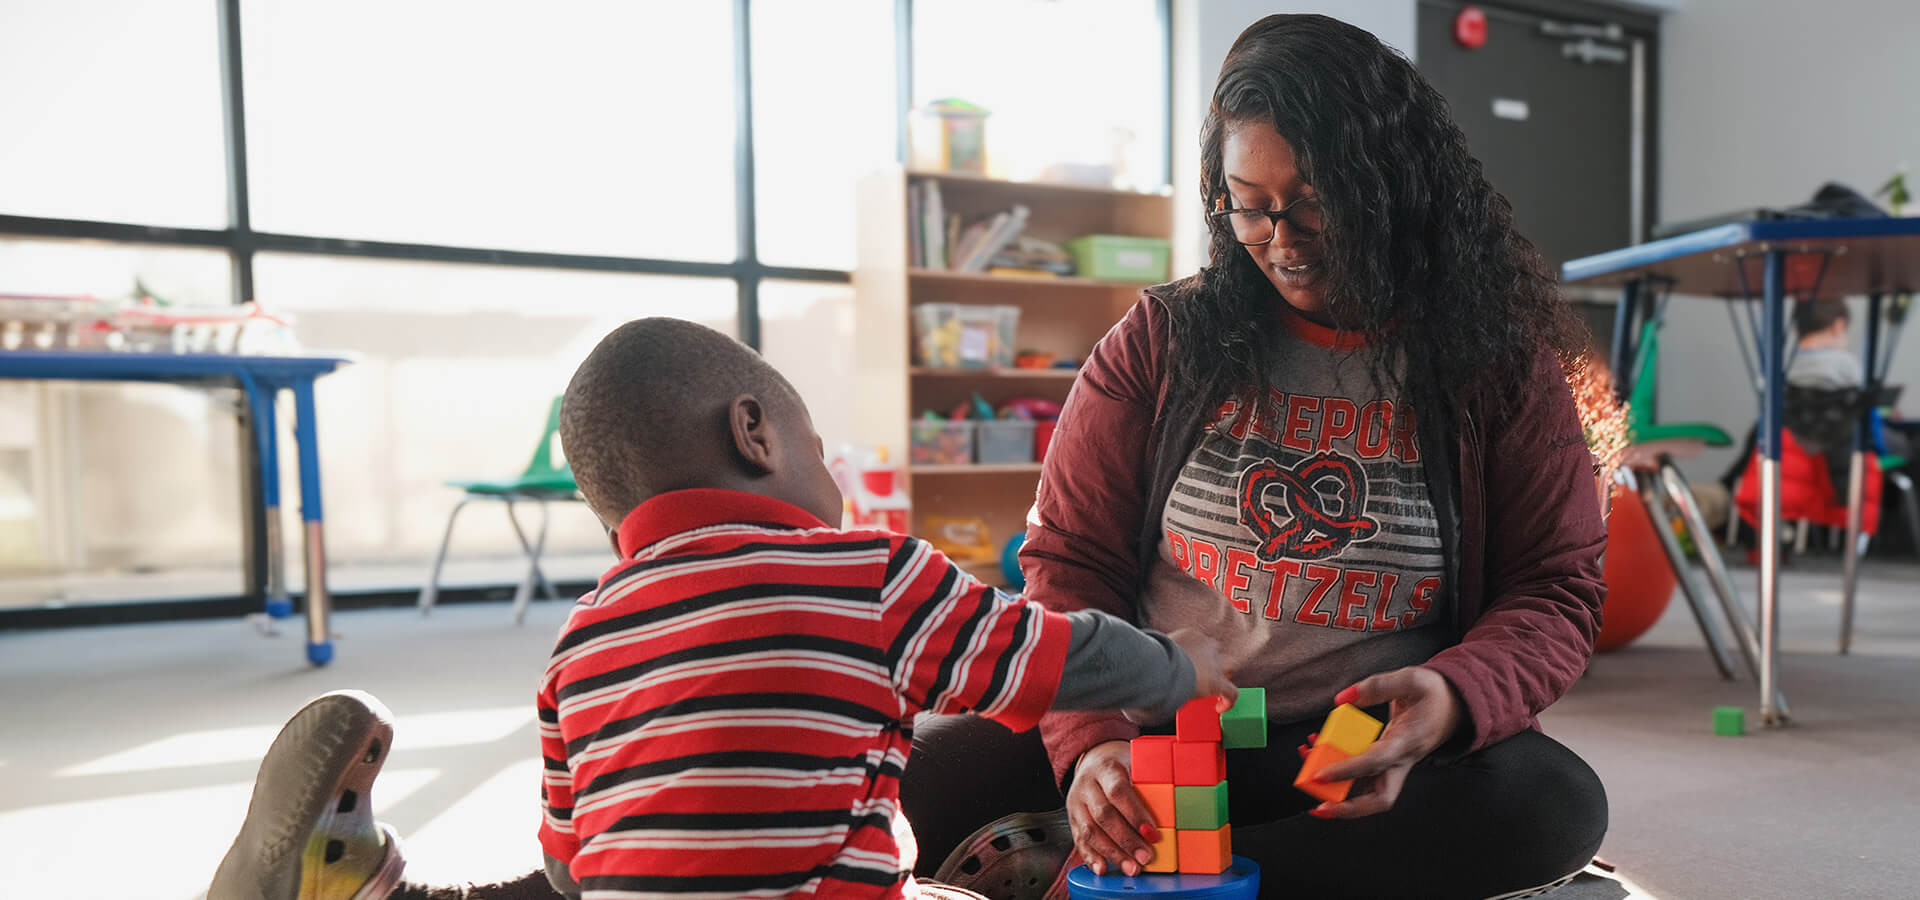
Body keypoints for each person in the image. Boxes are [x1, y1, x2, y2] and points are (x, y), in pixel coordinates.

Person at [900, 15, 1609, 900]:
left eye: (1316, 201)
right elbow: (1069, 561)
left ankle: (1193, 877)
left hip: (1352, 749)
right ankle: (1208, 864)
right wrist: (1092, 748)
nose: (1283, 237)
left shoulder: (1495, 363)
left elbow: (1555, 587)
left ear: (1394, 187)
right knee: (919, 765)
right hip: (1156, 727)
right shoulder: (1162, 339)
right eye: (1251, 204)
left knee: (1550, 805)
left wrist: (1452, 695)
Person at [208, 318, 1239, 900]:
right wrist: (1180, 663)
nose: (829, 464)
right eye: (812, 434)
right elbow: (1049, 655)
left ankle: (372, 893)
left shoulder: (581, 641)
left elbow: (574, 865)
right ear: (754, 432)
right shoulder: (872, 576)